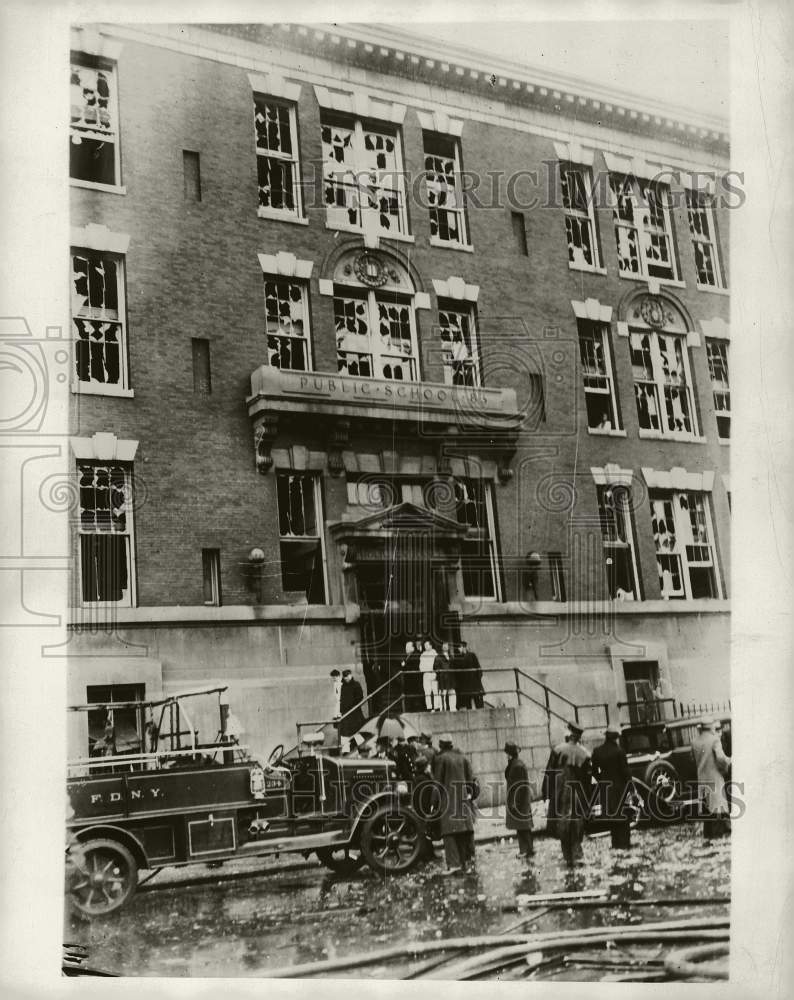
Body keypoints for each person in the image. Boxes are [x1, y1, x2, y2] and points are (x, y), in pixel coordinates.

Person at [542, 720, 593, 867]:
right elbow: (587, 782)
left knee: (563, 829)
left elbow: (548, 775)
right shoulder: (585, 754)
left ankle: (569, 860)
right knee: (577, 829)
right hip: (578, 797)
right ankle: (577, 857)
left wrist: (545, 796)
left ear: (569, 733)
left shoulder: (558, 750)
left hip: (560, 796)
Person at [432, 735, 477, 874]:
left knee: (449, 834)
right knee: (463, 831)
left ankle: (454, 864)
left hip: (448, 802)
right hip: (463, 801)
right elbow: (471, 780)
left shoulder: (441, 759)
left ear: (441, 746)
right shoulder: (463, 757)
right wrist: (470, 795)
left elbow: (437, 783)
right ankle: (466, 862)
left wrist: (433, 801)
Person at [591, 724, 634, 850]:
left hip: (606, 789)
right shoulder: (619, 751)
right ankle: (625, 844)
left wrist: (601, 780)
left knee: (611, 817)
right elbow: (626, 772)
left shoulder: (597, 751)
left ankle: (615, 844)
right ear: (615, 737)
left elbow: (593, 771)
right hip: (620, 789)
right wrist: (631, 789)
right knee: (623, 817)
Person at [692, 716, 732, 840]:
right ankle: (719, 838)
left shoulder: (694, 741)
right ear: (711, 727)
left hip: (702, 779)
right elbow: (720, 759)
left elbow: (693, 759)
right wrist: (728, 763)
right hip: (715, 778)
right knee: (718, 808)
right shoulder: (715, 740)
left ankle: (708, 837)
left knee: (707, 811)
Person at [504, 741, 534, 858]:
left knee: (522, 827)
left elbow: (519, 787)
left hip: (519, 802)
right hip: (520, 801)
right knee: (523, 827)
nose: (506, 755)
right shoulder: (515, 764)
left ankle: (525, 850)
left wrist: (515, 803)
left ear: (510, 754)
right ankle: (528, 849)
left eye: (507, 753)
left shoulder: (517, 766)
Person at [338, 668, 365, 739]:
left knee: (357, 732)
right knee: (346, 734)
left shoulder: (356, 684)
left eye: (347, 676)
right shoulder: (343, 686)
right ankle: (347, 748)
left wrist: (353, 705)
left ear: (351, 675)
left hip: (354, 711)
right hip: (346, 713)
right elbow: (342, 699)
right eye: (345, 676)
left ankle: (360, 747)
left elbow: (360, 697)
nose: (346, 678)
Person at [458, 641, 485, 709]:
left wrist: (478, 678)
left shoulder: (472, 655)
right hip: (466, 682)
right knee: (468, 700)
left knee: (477, 699)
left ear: (464, 647)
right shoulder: (460, 657)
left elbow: (478, 666)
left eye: (460, 647)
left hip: (474, 681)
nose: (459, 649)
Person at [401, 641, 424, 712]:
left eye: (407, 647)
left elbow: (415, 665)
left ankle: (419, 708)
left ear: (412, 647)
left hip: (414, 678)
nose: (406, 649)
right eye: (406, 647)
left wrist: (405, 665)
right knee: (410, 695)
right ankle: (411, 708)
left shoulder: (415, 654)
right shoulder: (407, 656)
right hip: (409, 679)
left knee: (416, 693)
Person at [419, 640, 439, 711]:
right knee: (427, 692)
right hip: (426, 674)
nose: (426, 647)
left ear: (431, 645)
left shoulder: (435, 654)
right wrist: (427, 668)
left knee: (435, 691)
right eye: (425, 646)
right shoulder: (423, 655)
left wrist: (431, 668)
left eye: (427, 645)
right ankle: (429, 707)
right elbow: (421, 667)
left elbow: (435, 665)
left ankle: (436, 706)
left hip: (433, 674)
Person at [436, 642, 457, 711]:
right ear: (442, 647)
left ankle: (453, 708)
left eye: (446, 646)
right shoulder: (438, 657)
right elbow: (435, 667)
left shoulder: (451, 656)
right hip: (443, 678)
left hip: (451, 678)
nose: (445, 647)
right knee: (442, 694)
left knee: (452, 693)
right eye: (444, 646)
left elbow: (453, 667)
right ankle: (442, 709)